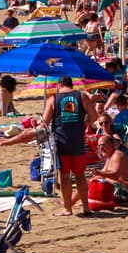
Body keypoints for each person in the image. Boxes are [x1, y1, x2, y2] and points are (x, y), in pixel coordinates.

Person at [42, 75, 95, 216]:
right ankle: (86, 207)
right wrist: (84, 124)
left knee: (65, 177)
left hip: (62, 142)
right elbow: (94, 116)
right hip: (78, 141)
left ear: (59, 85)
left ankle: (67, 208)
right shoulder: (82, 96)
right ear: (72, 85)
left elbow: (45, 123)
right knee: (80, 176)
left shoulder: (53, 99)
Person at [86, 134, 128, 211]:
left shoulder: (117, 155)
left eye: (102, 145)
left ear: (111, 145)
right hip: (113, 187)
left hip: (121, 190)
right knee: (87, 182)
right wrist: (95, 174)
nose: (100, 148)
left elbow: (115, 175)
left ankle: (71, 202)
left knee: (88, 183)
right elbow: (103, 173)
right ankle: (76, 201)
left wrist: (99, 173)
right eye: (98, 146)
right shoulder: (110, 156)